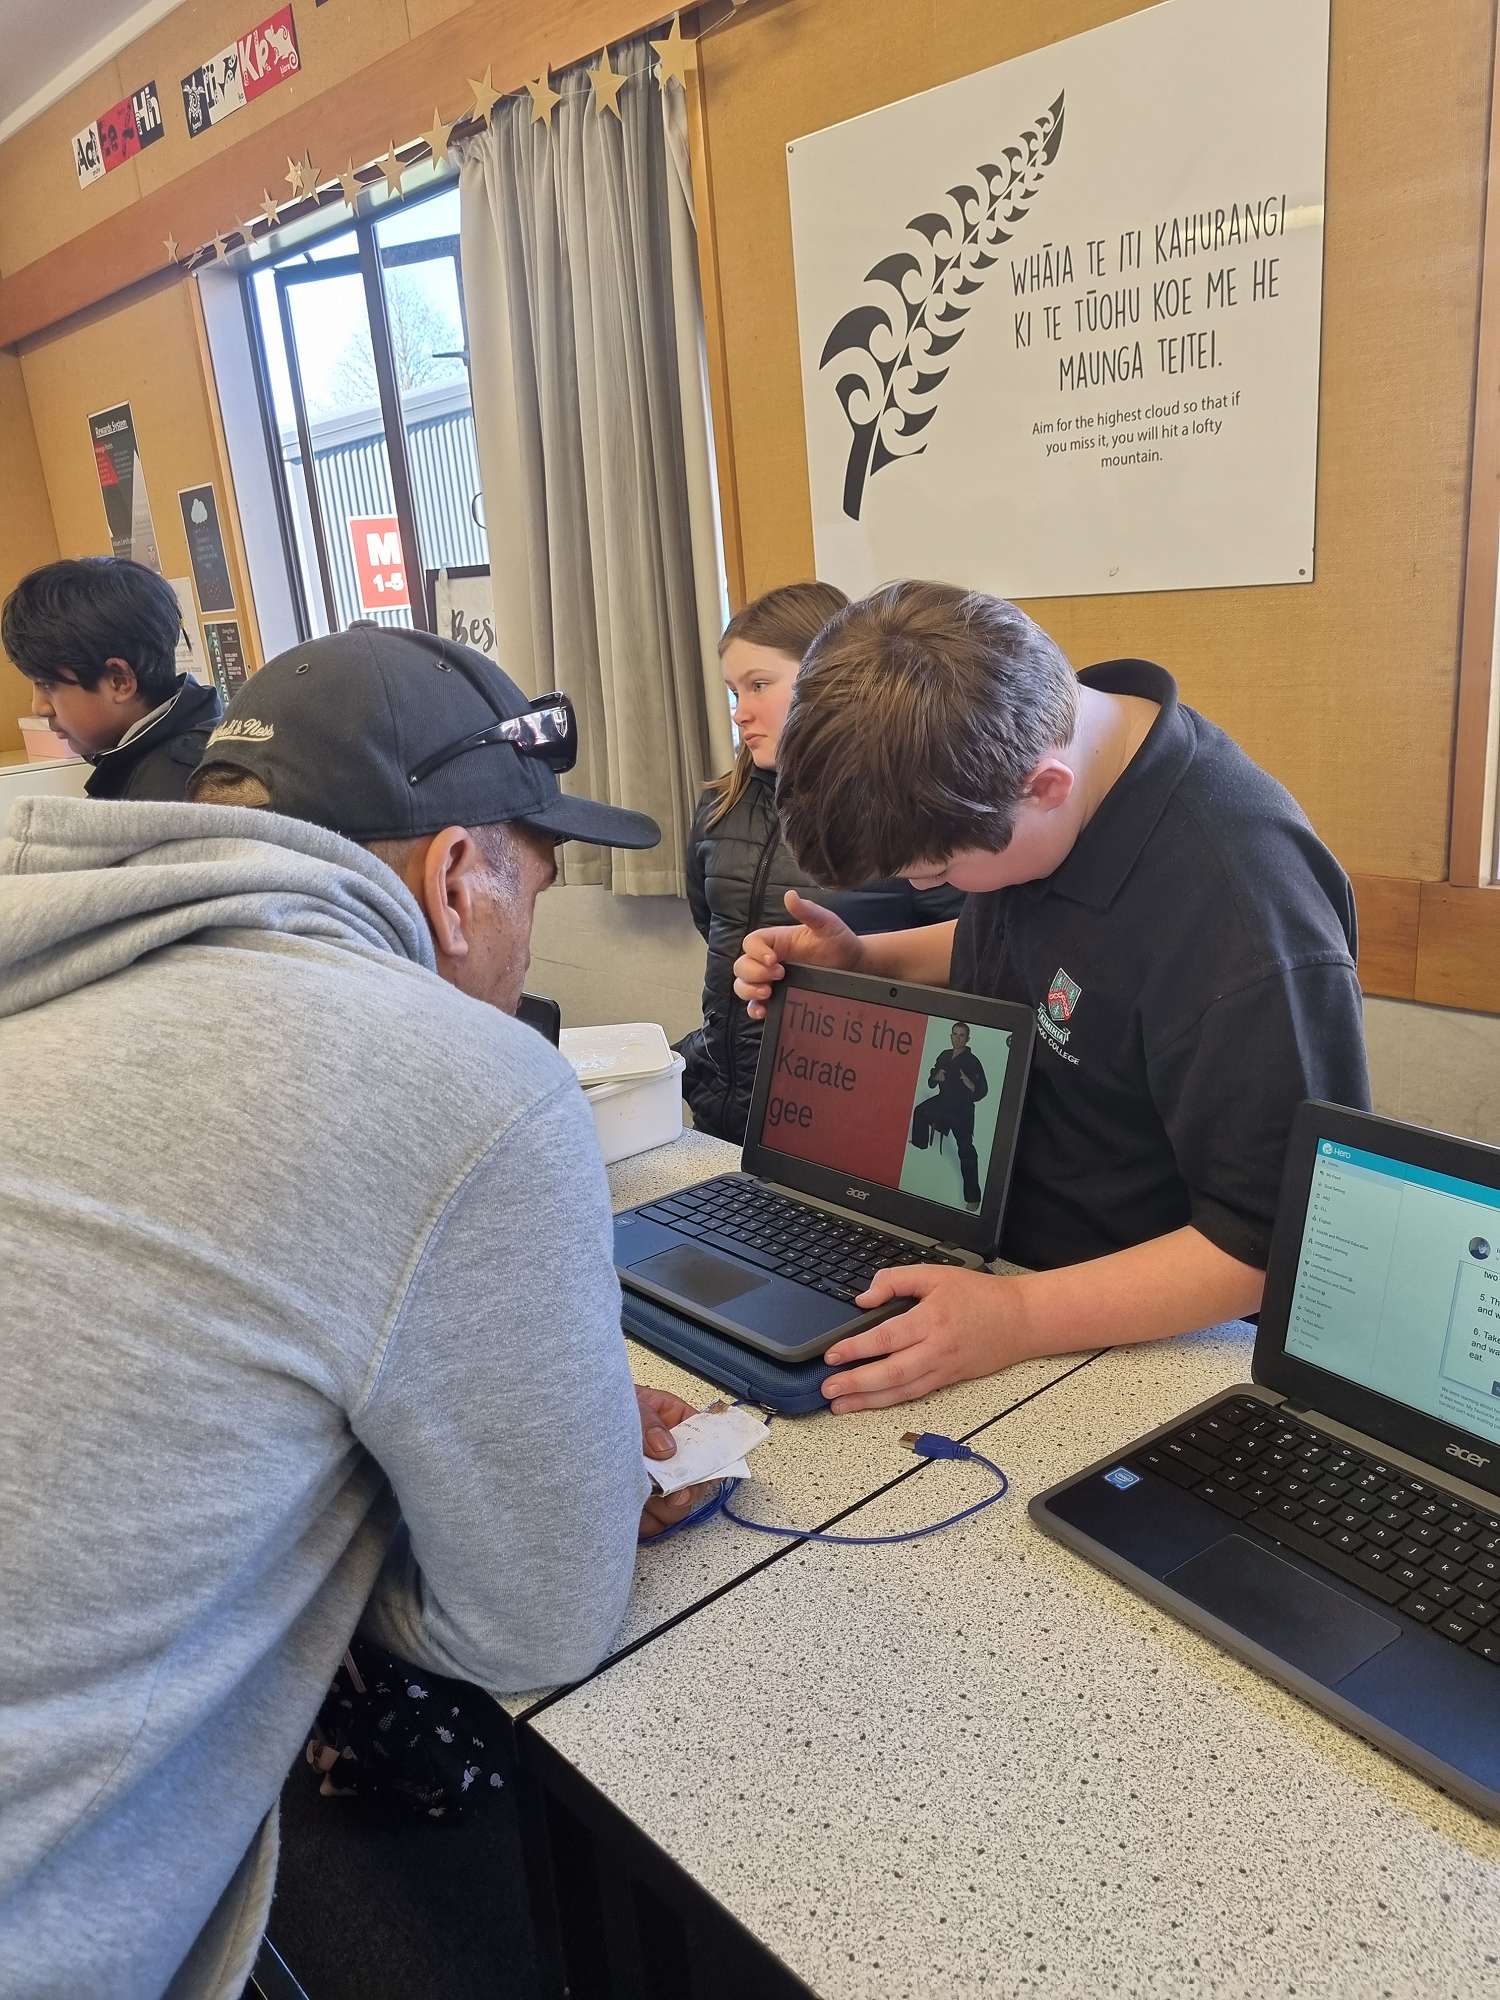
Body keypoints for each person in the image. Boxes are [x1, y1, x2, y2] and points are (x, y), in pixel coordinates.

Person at [0, 625, 712, 1999]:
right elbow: (540, 1627)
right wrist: (509, 1483)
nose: (524, 941)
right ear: (454, 880)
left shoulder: (49, 964)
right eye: (533, 889)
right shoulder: (467, 1082)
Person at [732, 580, 1371, 1414]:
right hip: (993, 1270)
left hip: (1129, 1337)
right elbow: (1043, 951)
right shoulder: (1019, 739)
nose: (931, 888)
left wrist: (1019, 1316)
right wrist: (866, 958)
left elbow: (1274, 1239)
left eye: (939, 871)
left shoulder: (1246, 916)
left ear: (1046, 787)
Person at [680, 582, 963, 1142]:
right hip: (726, 1098)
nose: (740, 712)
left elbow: (974, 951)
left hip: (845, 1106)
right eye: (733, 692)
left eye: (759, 685)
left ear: (827, 676)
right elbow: (712, 927)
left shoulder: (901, 811)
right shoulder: (720, 806)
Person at [2, 555, 223, 798]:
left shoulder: (168, 792)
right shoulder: (199, 735)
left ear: (119, 681)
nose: (39, 707)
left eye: (47, 685)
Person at [909, 1020, 988, 1209]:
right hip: (943, 1101)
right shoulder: (944, 1055)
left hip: (962, 1110)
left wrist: (970, 1083)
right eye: (955, 1034)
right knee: (920, 1111)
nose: (957, 1038)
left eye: (962, 1035)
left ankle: (973, 1198)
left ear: (967, 1039)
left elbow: (982, 1090)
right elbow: (932, 1079)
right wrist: (935, 1077)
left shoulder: (973, 1061)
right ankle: (920, 1143)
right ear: (951, 1036)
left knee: (966, 1151)